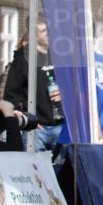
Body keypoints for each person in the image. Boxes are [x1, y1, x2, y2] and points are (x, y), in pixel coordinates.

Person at [4, 20, 64, 152]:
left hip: (60, 126)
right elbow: (11, 93)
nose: (48, 34)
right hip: (36, 128)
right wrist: (25, 117)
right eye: (43, 31)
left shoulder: (58, 55)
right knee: (36, 170)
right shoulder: (22, 59)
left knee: (60, 170)